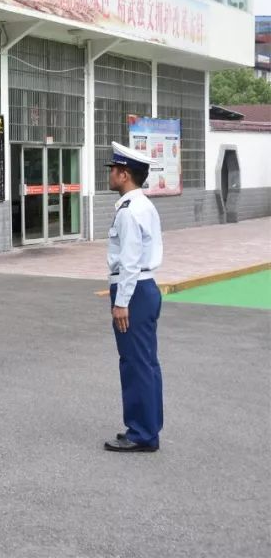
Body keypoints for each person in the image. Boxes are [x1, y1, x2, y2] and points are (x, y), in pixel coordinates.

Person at [103, 141, 164, 453]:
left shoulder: (128, 211)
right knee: (146, 362)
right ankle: (149, 429)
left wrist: (121, 302)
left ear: (124, 174)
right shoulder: (143, 205)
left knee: (135, 363)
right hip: (145, 287)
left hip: (134, 290)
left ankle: (141, 433)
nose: (110, 174)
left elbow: (128, 260)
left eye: (113, 170)